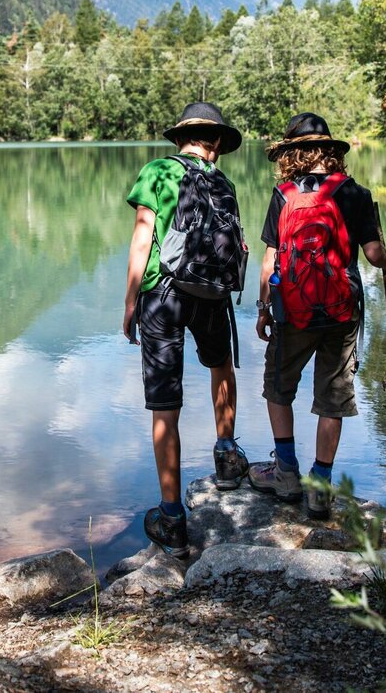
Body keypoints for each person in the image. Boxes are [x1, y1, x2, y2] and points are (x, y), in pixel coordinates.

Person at [123, 102, 249, 558]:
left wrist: (130, 300)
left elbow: (143, 236)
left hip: (164, 295)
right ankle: (227, 457)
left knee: (165, 404)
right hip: (212, 294)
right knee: (221, 366)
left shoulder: (158, 170)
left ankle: (172, 519)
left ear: (180, 138)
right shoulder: (223, 183)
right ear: (216, 142)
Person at [249, 112, 386, 519]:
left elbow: (270, 261)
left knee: (278, 387)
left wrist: (263, 309)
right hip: (341, 312)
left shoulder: (283, 194)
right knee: (333, 396)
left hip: (292, 312)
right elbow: (374, 256)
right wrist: (382, 249)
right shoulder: (355, 193)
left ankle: (285, 473)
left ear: (291, 155)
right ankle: (321, 487)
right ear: (331, 151)